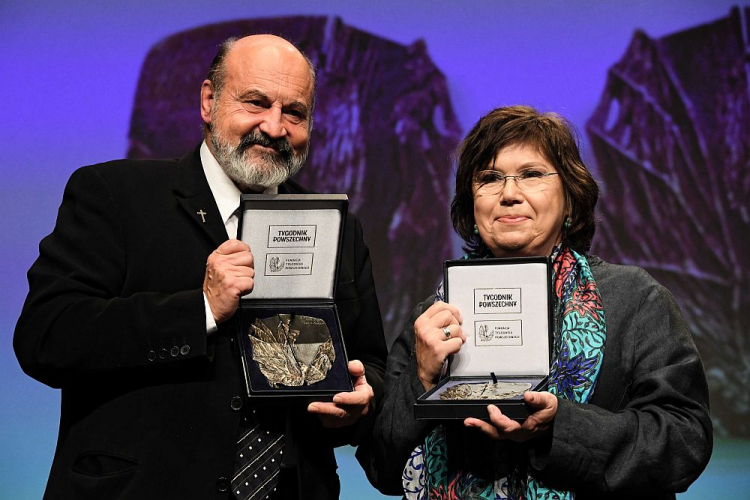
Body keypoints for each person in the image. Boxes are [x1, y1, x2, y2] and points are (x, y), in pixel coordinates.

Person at [14, 34, 387, 500]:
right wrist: (201, 309)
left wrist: (360, 402)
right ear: (209, 100)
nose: (274, 127)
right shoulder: (115, 195)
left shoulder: (338, 228)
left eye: (294, 112)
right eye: (255, 102)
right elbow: (46, 338)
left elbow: (370, 360)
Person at [363, 105, 712, 499]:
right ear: (471, 202)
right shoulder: (433, 317)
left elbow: (685, 442)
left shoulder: (636, 299)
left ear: (570, 197)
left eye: (531, 175)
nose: (510, 194)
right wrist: (421, 378)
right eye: (490, 178)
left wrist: (559, 428)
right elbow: (380, 467)